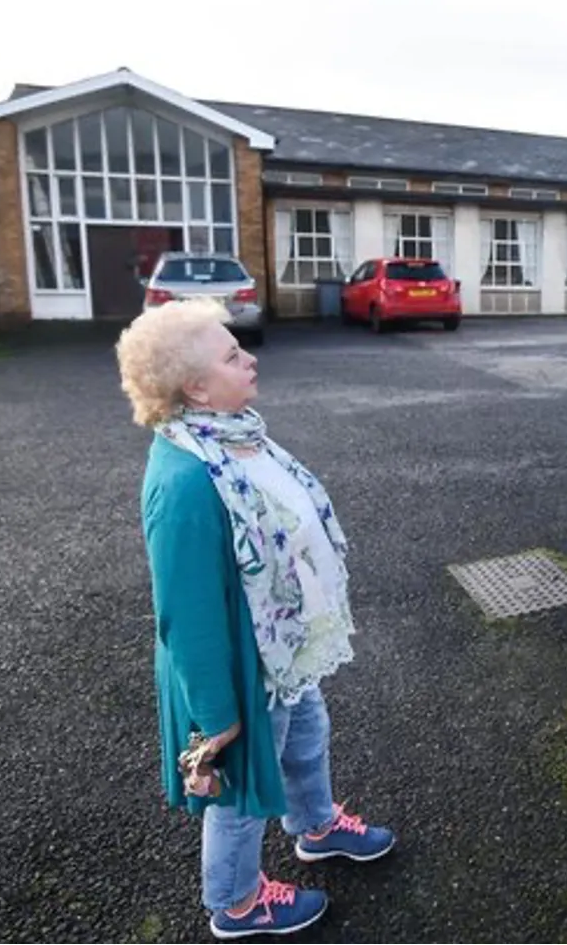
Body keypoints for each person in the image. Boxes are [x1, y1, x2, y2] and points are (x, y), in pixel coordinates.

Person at [116, 298, 395, 939]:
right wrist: (218, 716)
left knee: (305, 738)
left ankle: (316, 827)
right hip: (244, 668)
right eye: (232, 355)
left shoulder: (236, 435)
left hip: (284, 645)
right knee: (241, 787)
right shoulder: (184, 480)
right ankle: (236, 903)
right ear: (196, 387)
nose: (250, 359)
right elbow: (185, 615)